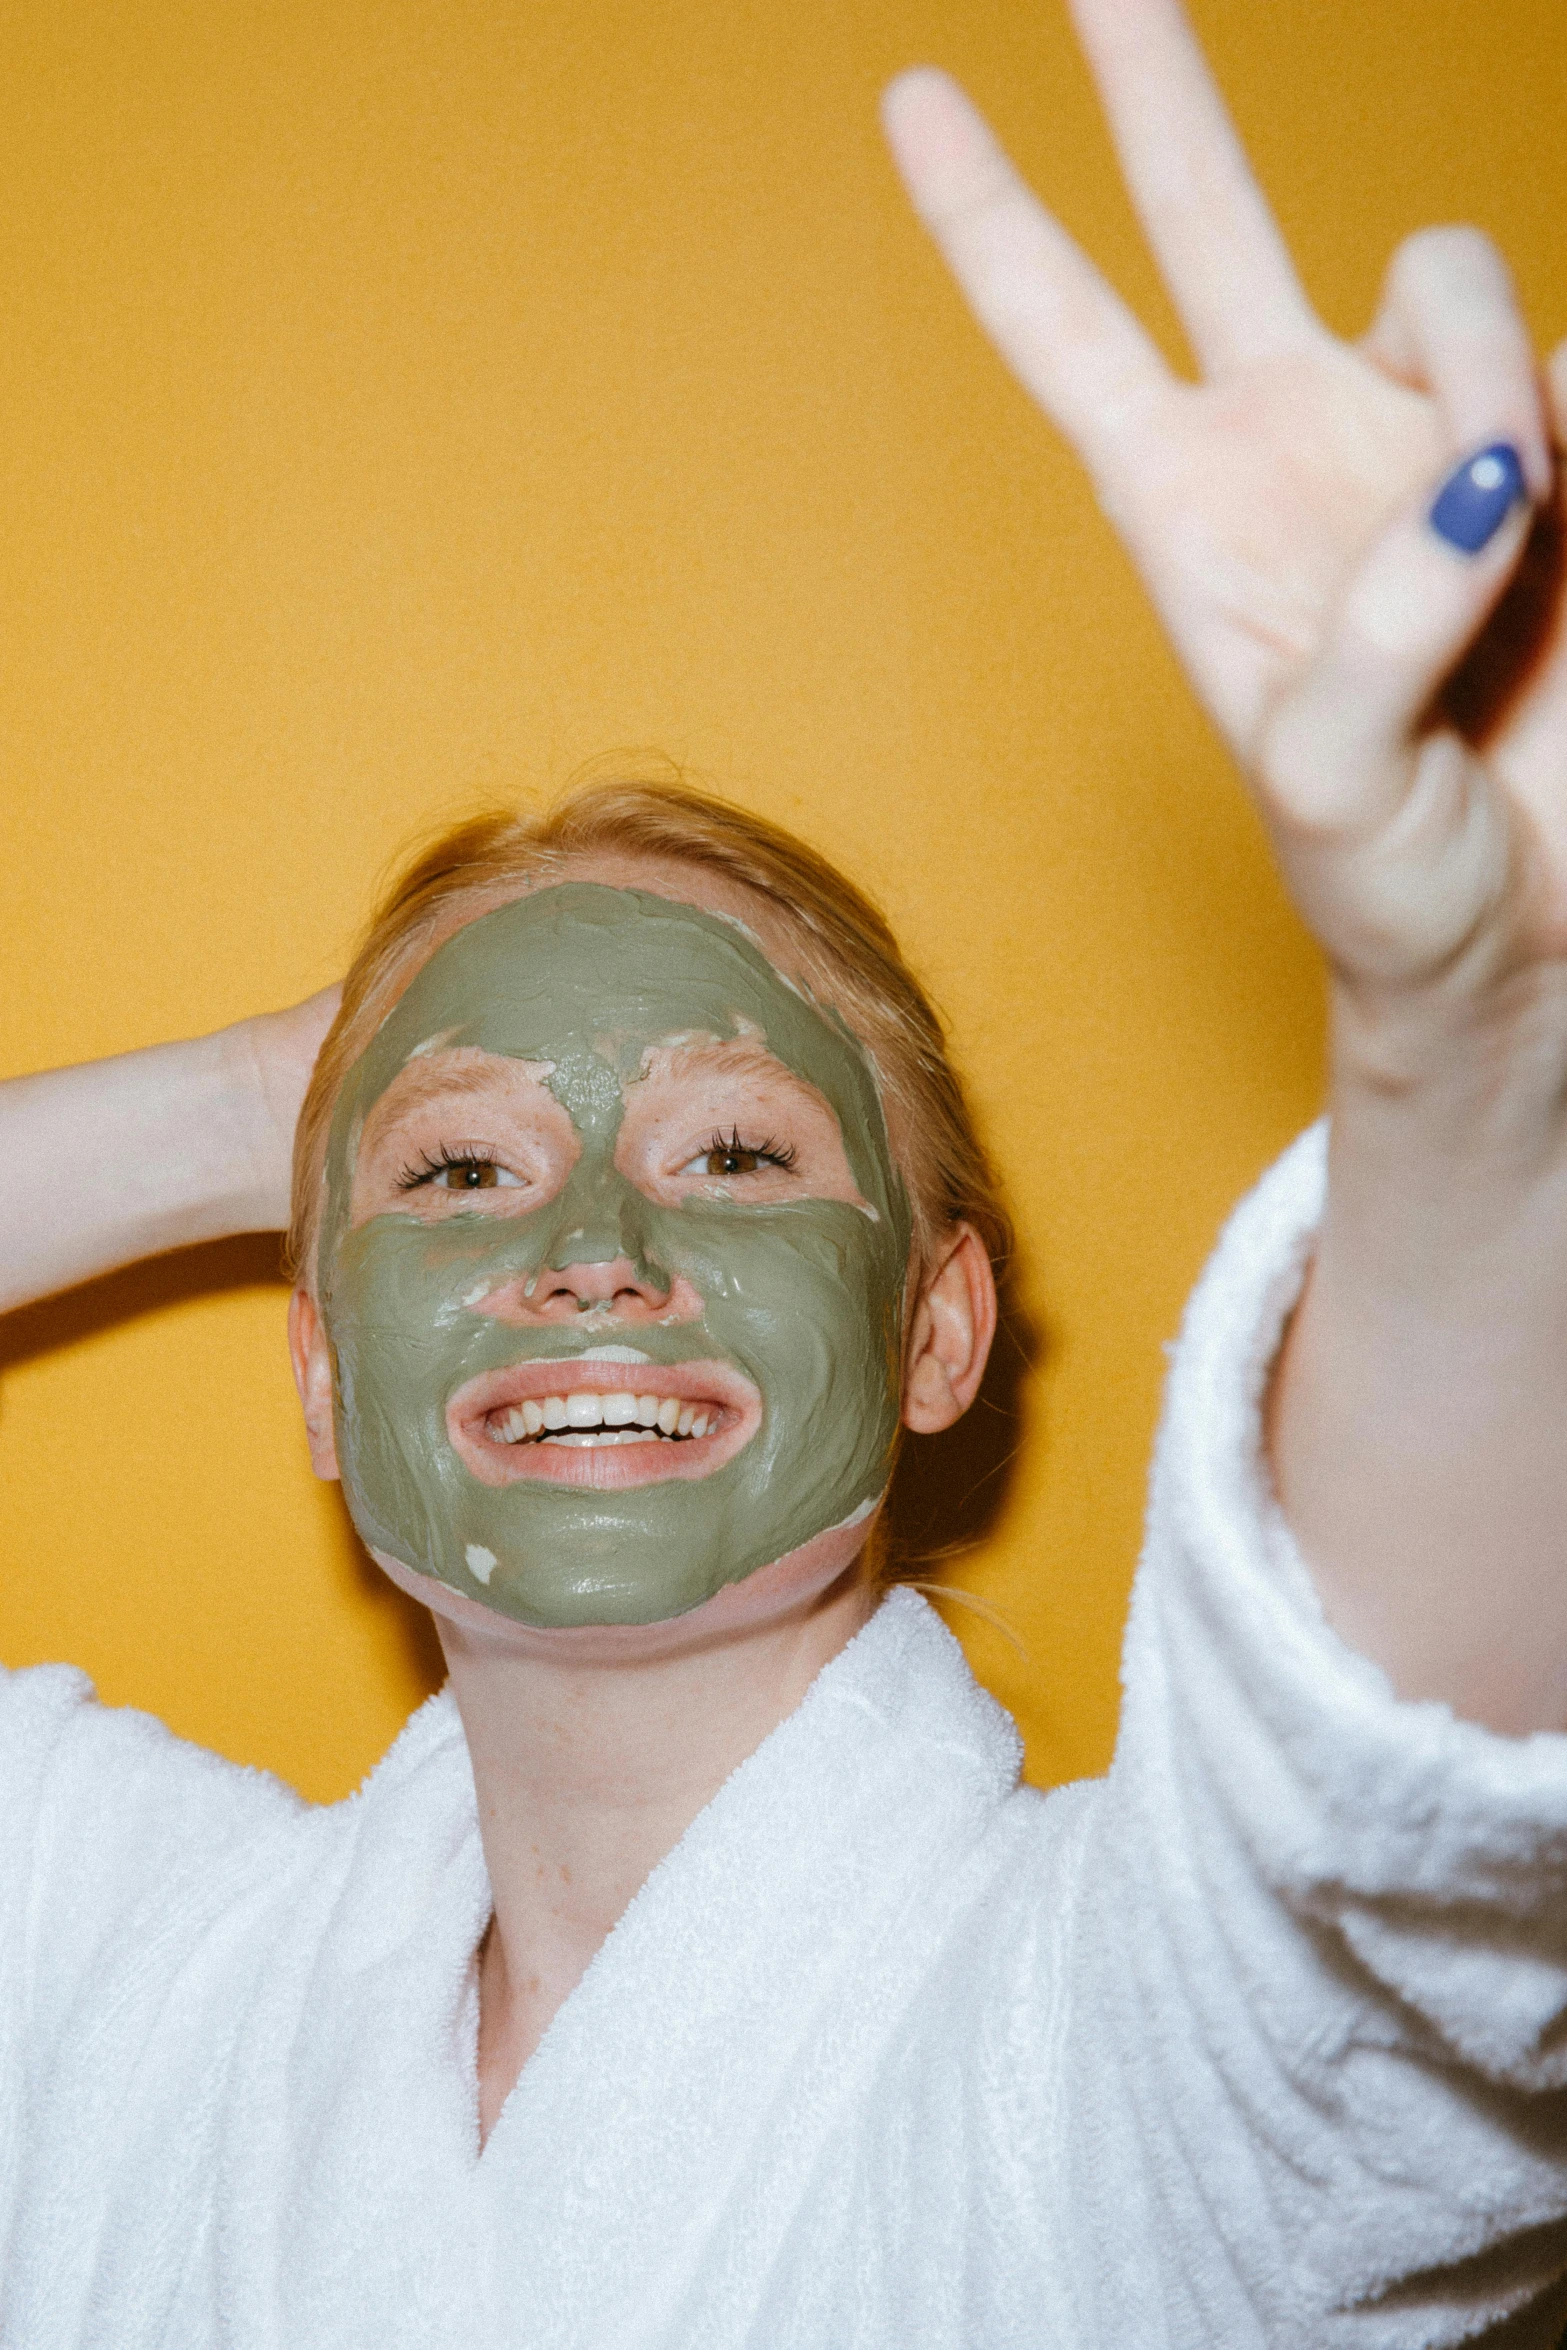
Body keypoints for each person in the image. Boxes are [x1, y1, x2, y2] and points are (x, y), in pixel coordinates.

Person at [4, 0, 1567, 2340]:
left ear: (934, 1324)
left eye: (734, 1146)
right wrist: (257, 1108)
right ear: (322, 1376)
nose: (594, 1250)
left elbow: (1387, 1856)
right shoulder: (114, 1975)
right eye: (458, 1180)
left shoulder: (1115, 2063)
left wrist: (1484, 1059)